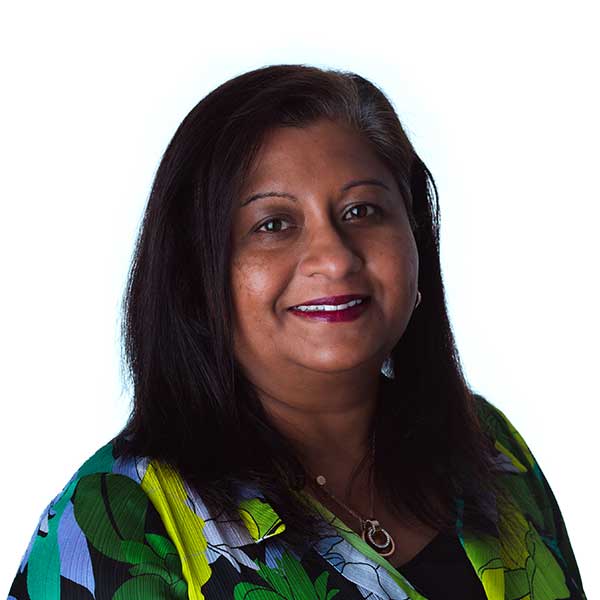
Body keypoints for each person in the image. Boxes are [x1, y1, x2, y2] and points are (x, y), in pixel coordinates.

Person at [7, 64, 586, 600]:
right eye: (273, 224)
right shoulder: (116, 518)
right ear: (194, 275)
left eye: (362, 211)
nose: (334, 258)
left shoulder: (488, 447)